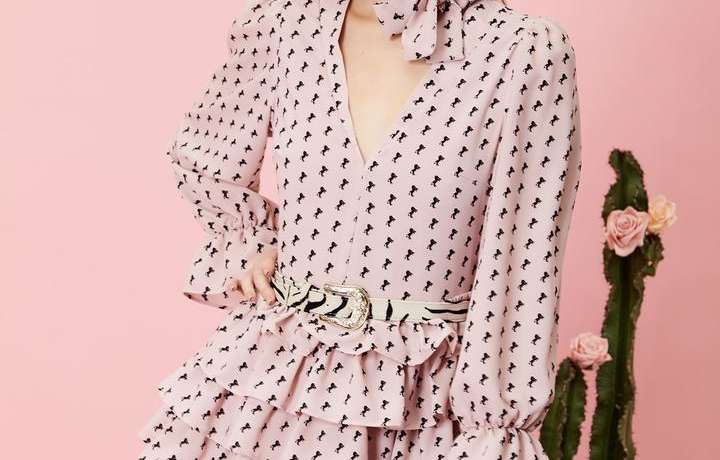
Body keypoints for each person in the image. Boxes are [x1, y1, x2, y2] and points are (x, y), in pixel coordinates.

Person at [137, 0, 582, 459]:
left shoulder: (523, 50)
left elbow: (525, 263)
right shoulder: (286, 24)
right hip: (271, 386)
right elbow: (207, 160)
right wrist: (258, 243)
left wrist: (495, 424)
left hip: (422, 412)